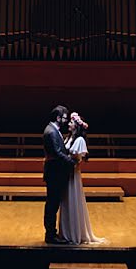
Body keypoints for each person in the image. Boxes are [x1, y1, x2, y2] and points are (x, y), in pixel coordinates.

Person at [59, 112, 108, 245]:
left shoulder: (79, 140)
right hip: (66, 174)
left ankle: (74, 233)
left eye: (71, 122)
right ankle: (66, 232)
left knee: (72, 200)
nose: (69, 124)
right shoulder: (68, 138)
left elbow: (76, 159)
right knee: (66, 201)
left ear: (76, 126)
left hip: (72, 174)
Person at [43, 105, 76, 244]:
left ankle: (51, 233)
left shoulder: (52, 130)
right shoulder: (51, 132)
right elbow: (57, 152)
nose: (65, 121)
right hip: (54, 173)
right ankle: (50, 234)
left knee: (53, 203)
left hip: (55, 173)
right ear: (57, 118)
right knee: (52, 204)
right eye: (64, 118)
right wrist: (71, 162)